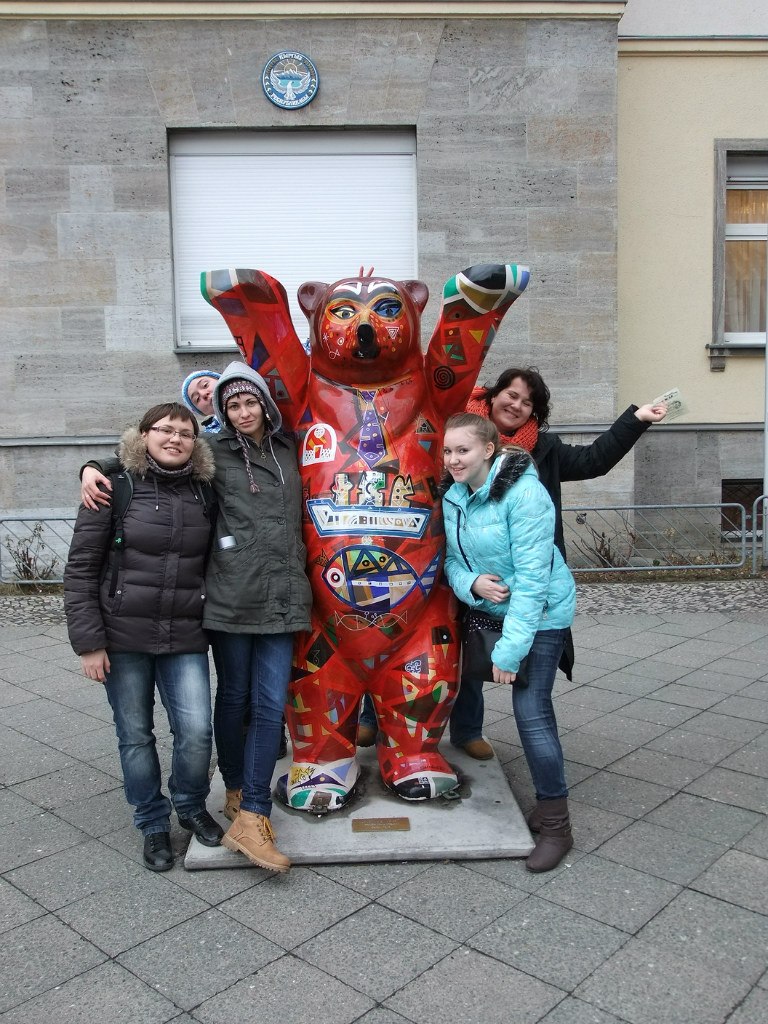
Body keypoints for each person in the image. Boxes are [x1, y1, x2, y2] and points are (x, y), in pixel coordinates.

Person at [81, 362, 312, 873]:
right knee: (229, 700)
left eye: (251, 401)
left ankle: (251, 811)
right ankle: (220, 796)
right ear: (222, 414)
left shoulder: (290, 451)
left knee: (266, 706)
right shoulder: (213, 455)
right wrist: (93, 464)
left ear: (266, 405)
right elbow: (148, 462)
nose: (244, 411)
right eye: (232, 405)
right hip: (225, 602)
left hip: (281, 600)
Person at [451, 367, 667, 760]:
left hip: (529, 578)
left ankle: (498, 735)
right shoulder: (459, 440)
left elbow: (593, 461)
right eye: (511, 395)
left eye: (527, 402)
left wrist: (636, 419)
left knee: (522, 666)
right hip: (473, 574)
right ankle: (460, 729)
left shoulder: (544, 450)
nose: (516, 405)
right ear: (493, 395)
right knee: (465, 653)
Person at [64, 402, 223, 872]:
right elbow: (79, 570)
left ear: (196, 443)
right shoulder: (114, 488)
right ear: (144, 435)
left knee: (196, 732)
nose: (174, 438)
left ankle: (191, 805)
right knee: (135, 736)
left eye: (185, 433)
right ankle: (152, 820)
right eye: (164, 430)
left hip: (184, 634)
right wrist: (88, 642)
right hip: (121, 637)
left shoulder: (204, 492)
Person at [441, 413, 577, 872]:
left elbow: (536, 581)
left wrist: (510, 651)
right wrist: (472, 583)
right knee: (533, 710)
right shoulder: (454, 497)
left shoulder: (526, 495)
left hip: (540, 616)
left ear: (489, 450)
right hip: (494, 610)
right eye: (448, 451)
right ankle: (545, 808)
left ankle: (556, 824)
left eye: (463, 450)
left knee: (531, 712)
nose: (454, 459)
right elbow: (452, 563)